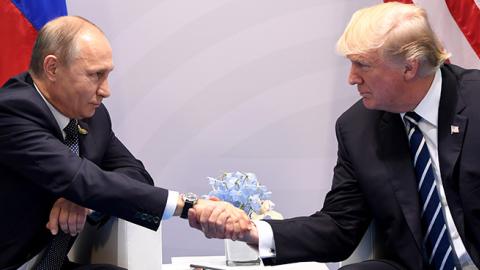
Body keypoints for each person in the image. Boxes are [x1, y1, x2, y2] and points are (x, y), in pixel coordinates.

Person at [190, 2, 480, 269]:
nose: (352, 78)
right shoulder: (358, 128)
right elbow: (340, 226)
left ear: (409, 66)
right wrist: (252, 231)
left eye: (363, 65)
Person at [0, 16, 249, 270]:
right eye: (95, 75)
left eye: (107, 75)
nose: (105, 90)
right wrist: (188, 206)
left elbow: (137, 175)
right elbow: (79, 178)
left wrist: (84, 199)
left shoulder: (93, 117)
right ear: (52, 68)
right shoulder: (11, 111)